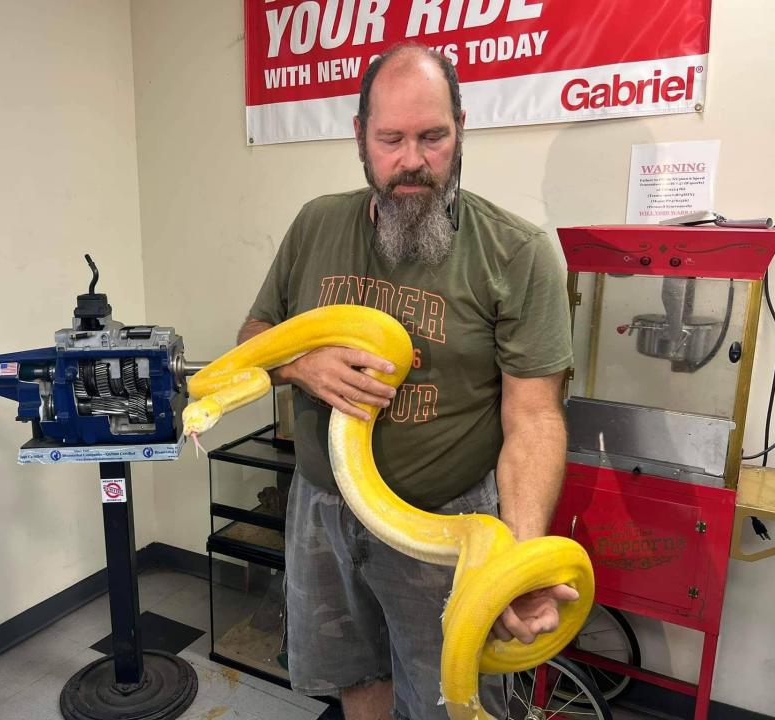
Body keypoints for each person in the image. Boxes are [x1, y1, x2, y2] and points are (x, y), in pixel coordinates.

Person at [238, 43, 577, 720]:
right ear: (359, 136)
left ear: (462, 126)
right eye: (391, 139)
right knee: (357, 681)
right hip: (323, 511)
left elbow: (534, 419)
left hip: (444, 526)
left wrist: (516, 561)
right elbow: (254, 339)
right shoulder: (315, 224)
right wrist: (298, 364)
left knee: (450, 702)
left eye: (433, 137)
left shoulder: (517, 253)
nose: (413, 161)